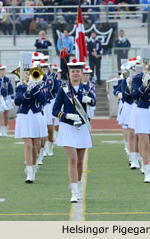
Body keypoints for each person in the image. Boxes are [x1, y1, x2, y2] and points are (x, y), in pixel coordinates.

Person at [52, 58, 96, 202]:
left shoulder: (87, 88)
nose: (75, 74)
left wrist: (89, 100)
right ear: (69, 73)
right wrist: (66, 115)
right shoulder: (63, 90)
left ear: (82, 73)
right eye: (73, 71)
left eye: (78, 71)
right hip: (68, 127)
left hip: (82, 127)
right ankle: (74, 192)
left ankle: (77, 185)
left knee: (80, 161)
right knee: (72, 158)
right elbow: (55, 110)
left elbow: (94, 101)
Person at [14, 66, 47, 183]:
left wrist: (34, 89)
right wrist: (27, 91)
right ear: (22, 75)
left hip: (36, 115)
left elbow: (43, 100)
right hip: (24, 116)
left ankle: (33, 166)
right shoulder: (20, 86)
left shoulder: (39, 86)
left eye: (29, 73)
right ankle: (29, 173)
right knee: (28, 145)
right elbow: (17, 101)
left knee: (35, 145)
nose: (27, 75)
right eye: (25, 73)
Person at [0, 65, 13, 137]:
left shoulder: (7, 79)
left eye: (3, 71)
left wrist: (12, 98)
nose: (1, 72)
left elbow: (10, 89)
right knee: (0, 115)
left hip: (6, 97)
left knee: (6, 115)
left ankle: (5, 130)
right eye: (0, 71)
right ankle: (0, 130)